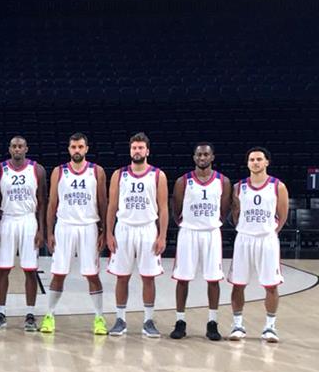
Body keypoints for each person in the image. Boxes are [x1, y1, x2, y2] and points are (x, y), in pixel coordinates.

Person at [105, 132, 169, 337]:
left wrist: (162, 236)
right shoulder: (119, 175)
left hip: (148, 229)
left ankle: (148, 321)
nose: (137, 151)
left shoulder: (158, 175)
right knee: (122, 277)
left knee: (148, 278)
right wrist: (109, 233)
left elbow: (164, 208)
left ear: (147, 151)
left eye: (141, 148)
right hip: (124, 228)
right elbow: (112, 206)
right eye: (134, 148)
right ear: (130, 150)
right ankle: (120, 319)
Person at [45, 133, 108, 334]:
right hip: (64, 226)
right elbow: (52, 204)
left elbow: (103, 203)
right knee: (58, 273)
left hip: (89, 226)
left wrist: (105, 231)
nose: (77, 150)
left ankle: (99, 317)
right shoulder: (59, 171)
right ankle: (49, 315)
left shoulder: (97, 171)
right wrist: (49, 232)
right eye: (73, 147)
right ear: (69, 149)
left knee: (92, 274)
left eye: (80, 146)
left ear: (86, 148)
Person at [170, 143, 231, 340]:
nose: (202, 157)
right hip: (189, 232)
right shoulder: (183, 181)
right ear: (194, 157)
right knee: (182, 278)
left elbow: (224, 210)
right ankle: (180, 321)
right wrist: (188, 223)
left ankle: (212, 322)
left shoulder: (223, 181)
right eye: (198, 155)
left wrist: (212, 223)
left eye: (206, 154)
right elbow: (176, 209)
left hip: (211, 233)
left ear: (212, 157)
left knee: (213, 279)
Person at [228, 147, 288, 343]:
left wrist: (271, 232)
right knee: (238, 284)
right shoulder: (238, 187)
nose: (255, 162)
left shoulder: (278, 186)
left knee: (271, 285)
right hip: (244, 238)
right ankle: (238, 325)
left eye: (259, 159)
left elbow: (283, 214)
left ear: (266, 162)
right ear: (247, 163)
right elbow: (235, 214)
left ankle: (270, 327)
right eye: (252, 159)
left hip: (267, 239)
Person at [0, 135, 46, 331]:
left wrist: (42, 230)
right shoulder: (0, 170)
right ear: (9, 149)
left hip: (28, 220)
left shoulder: (37, 170)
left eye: (20, 146)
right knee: (3, 269)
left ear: (26, 149)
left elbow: (42, 202)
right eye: (14, 146)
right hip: (8, 219)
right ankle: (0, 313)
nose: (17, 149)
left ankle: (30, 314)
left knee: (30, 270)